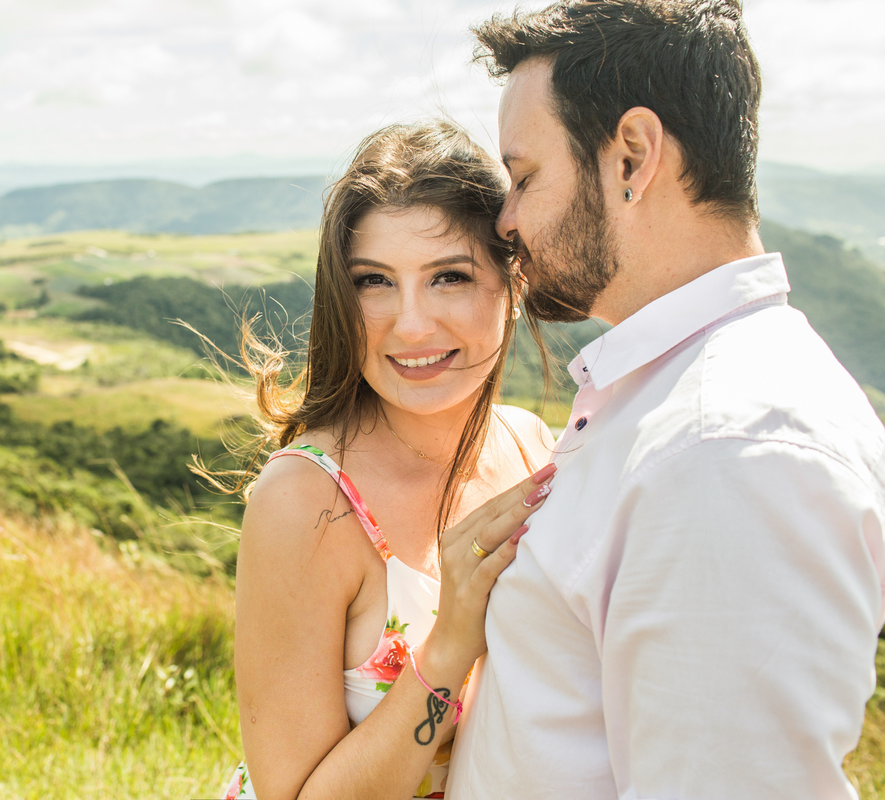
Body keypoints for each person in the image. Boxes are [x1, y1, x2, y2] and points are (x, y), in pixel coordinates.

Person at [444, 2, 885, 798]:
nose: (505, 220)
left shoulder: (730, 450)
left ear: (632, 157)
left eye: (525, 176)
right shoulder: (673, 403)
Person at [218, 120, 557, 800]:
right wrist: (452, 639)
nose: (410, 325)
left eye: (449, 277)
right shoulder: (307, 503)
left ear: (513, 281)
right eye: (374, 281)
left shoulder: (533, 449)